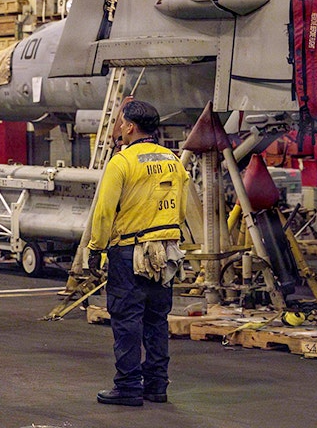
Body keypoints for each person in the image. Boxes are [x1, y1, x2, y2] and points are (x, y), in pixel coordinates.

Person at [87, 99, 186, 407]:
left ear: (130, 127)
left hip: (129, 252)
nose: (118, 126)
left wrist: (95, 248)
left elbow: (104, 212)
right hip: (165, 251)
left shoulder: (122, 162)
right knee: (157, 320)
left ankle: (128, 386)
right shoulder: (174, 160)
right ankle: (157, 385)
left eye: (121, 122)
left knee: (127, 320)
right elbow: (181, 209)